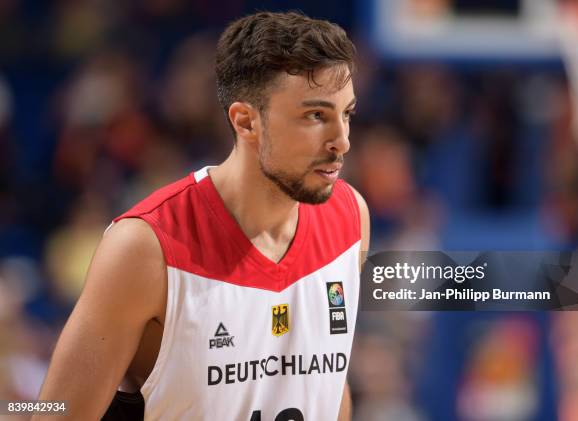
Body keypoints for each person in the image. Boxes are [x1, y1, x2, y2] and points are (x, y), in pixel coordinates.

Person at [36, 11, 369, 420]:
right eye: (316, 116)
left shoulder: (350, 217)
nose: (342, 141)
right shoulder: (145, 247)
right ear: (246, 121)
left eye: (346, 114)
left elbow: (330, 389)